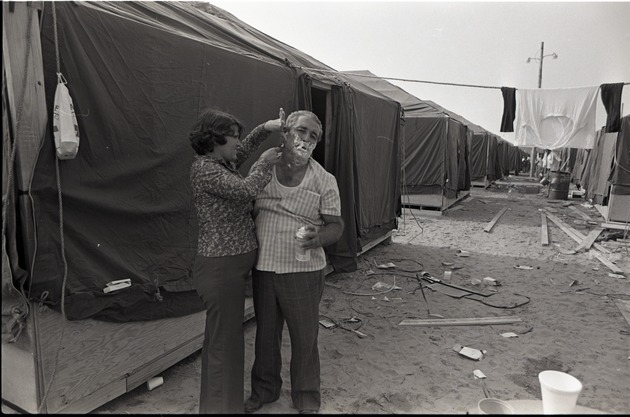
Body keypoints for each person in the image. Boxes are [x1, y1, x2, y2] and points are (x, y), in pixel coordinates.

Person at [244, 110, 344, 414]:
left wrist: (319, 237)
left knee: (304, 337)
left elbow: (336, 226)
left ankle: (306, 396)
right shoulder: (265, 164)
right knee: (266, 335)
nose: (307, 139)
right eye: (302, 131)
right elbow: (245, 199)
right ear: (286, 132)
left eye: (314, 136)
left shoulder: (324, 180)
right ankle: (265, 390)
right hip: (265, 266)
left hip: (302, 269)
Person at [189, 107, 284, 414]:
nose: (238, 143)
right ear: (215, 139)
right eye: (233, 136)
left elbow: (243, 150)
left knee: (227, 341)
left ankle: (222, 406)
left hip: (230, 266)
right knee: (223, 344)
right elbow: (246, 190)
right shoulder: (205, 169)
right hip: (221, 268)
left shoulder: (221, 162)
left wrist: (266, 126)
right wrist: (265, 164)